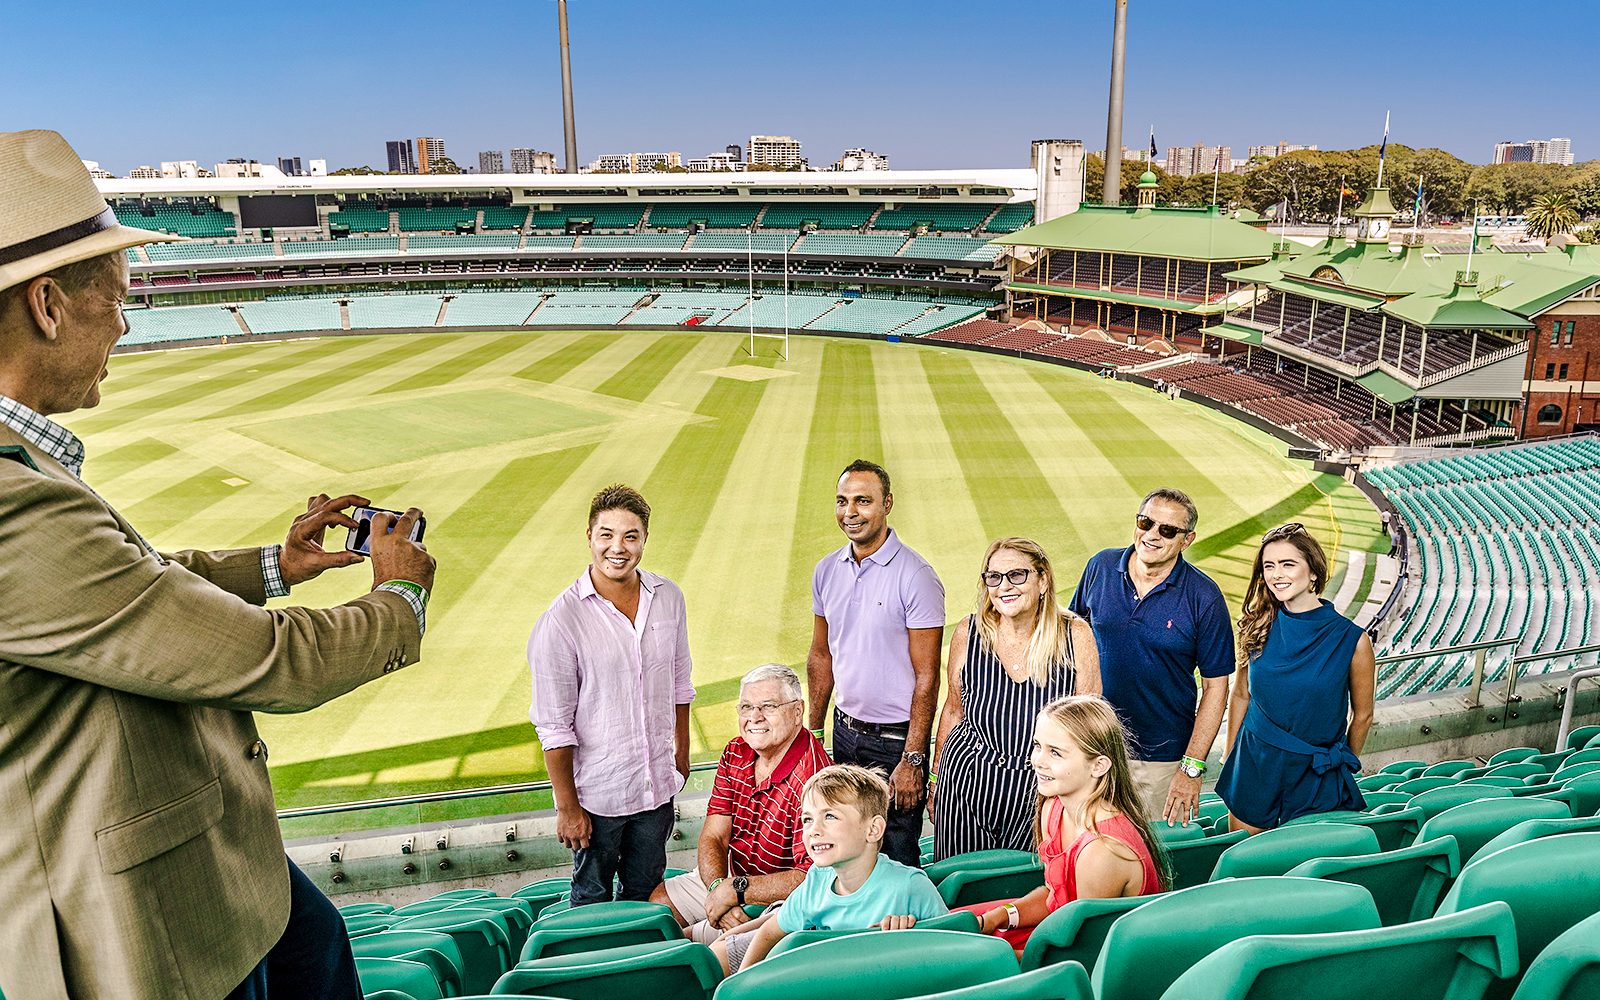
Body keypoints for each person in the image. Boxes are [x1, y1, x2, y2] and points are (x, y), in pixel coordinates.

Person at [0, 130, 436, 1000]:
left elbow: (136, 582)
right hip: (145, 926)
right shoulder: (11, 504)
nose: (125, 322)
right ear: (47, 304)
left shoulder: (25, 467)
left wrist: (275, 564)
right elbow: (261, 658)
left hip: (213, 872)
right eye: (116, 299)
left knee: (320, 946)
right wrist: (400, 594)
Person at [528, 484, 696, 906]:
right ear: (589, 536)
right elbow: (553, 725)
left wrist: (681, 755)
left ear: (644, 539)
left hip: (655, 788)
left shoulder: (669, 598)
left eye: (630, 535)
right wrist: (568, 809)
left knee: (647, 897)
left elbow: (680, 684)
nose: (618, 548)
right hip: (598, 798)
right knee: (592, 903)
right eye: (607, 534)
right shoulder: (561, 620)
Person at [1068, 488, 1235, 825]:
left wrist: (1191, 768)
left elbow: (1217, 688)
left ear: (1187, 541)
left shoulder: (1205, 597)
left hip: (1159, 759)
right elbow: (1071, 640)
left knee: (1145, 859)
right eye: (1146, 522)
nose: (1152, 535)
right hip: (1092, 747)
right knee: (1084, 848)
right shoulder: (1099, 566)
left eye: (1168, 530)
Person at [808, 459, 945, 867]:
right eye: (842, 501)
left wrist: (913, 758)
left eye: (862, 501)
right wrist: (814, 732)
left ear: (887, 504)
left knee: (897, 855)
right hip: (844, 732)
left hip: (895, 744)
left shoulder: (916, 576)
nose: (850, 512)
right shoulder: (826, 570)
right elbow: (821, 655)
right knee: (845, 850)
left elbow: (928, 677)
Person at [930, 537, 1100, 860]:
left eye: (1016, 575)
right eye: (993, 577)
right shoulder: (969, 632)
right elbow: (953, 711)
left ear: (1043, 579)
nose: (1004, 586)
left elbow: (1090, 730)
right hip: (965, 784)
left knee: (1029, 888)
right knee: (960, 879)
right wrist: (937, 781)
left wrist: (1083, 796)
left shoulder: (1075, 635)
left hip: (1041, 791)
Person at [960, 696, 1165, 950]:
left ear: (1099, 766)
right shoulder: (1053, 807)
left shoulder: (1100, 852)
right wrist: (1001, 916)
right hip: (1064, 935)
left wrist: (1001, 957)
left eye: (1055, 752)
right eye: (1038, 745)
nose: (1038, 760)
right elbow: (1054, 897)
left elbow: (1086, 949)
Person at [650, 663, 832, 942]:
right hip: (735, 878)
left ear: (798, 711)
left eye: (768, 706)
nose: (754, 717)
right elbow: (714, 836)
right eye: (746, 707)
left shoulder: (815, 779)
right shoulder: (736, 750)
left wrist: (735, 890)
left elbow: (812, 876)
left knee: (684, 942)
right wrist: (716, 889)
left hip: (786, 897)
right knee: (659, 908)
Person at [713, 764, 948, 974]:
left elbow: (954, 947)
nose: (813, 830)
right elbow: (770, 933)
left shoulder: (910, 887)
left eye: (830, 816)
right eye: (807, 819)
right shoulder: (817, 880)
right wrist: (743, 983)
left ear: (873, 829)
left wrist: (914, 937)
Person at [1215, 525, 1375, 832]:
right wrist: (1230, 754)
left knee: (1299, 865)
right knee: (1249, 864)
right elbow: (1241, 694)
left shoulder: (1353, 640)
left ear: (1313, 572)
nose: (1277, 574)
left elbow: (1364, 715)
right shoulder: (1257, 624)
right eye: (1269, 566)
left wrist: (1341, 763)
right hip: (1254, 763)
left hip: (1316, 772)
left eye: (1288, 564)